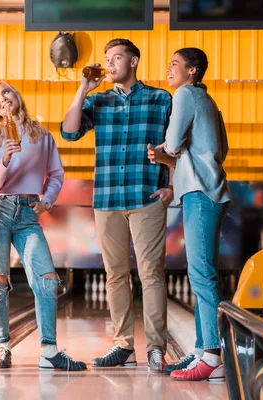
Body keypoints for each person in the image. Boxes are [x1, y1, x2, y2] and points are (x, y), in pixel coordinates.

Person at [61, 38, 173, 372]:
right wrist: (84, 87)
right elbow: (68, 132)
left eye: (116, 58)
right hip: (107, 199)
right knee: (115, 275)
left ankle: (156, 348)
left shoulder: (160, 99)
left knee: (151, 273)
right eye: (107, 58)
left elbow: (180, 144)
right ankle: (123, 345)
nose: (109, 64)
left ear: (134, 61)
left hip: (147, 197)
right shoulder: (98, 101)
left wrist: (172, 186)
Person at [0, 81, 86, 371]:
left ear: (16, 96)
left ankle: (49, 352)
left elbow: (56, 174)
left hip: (28, 212)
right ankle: (2, 347)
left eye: (6, 92)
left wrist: (47, 201)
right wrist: (5, 159)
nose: (3, 99)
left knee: (48, 280)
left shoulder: (41, 135)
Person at [147, 47, 231, 381]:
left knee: (201, 276)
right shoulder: (209, 102)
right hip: (210, 191)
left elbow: (172, 141)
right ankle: (201, 349)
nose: (169, 69)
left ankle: (212, 356)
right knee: (200, 275)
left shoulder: (184, 94)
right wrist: (169, 156)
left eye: (175, 64)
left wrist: (165, 150)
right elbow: (213, 150)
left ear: (192, 70)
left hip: (200, 193)